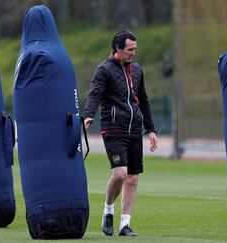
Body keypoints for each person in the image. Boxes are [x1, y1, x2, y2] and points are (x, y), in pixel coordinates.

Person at [84, 30, 158, 237]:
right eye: (130, 49)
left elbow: (143, 99)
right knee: (119, 174)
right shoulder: (104, 70)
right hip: (114, 128)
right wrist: (89, 115)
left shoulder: (137, 69)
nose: (134, 53)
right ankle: (108, 210)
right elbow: (95, 93)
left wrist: (150, 129)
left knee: (132, 178)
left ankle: (124, 225)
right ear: (118, 49)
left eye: (135, 48)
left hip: (135, 129)